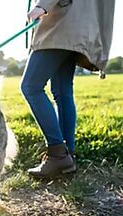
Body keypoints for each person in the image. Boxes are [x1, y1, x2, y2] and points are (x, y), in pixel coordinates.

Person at [22, 0, 115, 178]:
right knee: (62, 93)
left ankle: (58, 154)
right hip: (77, 26)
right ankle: (67, 157)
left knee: (31, 86)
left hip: (60, 25)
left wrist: (43, 5)